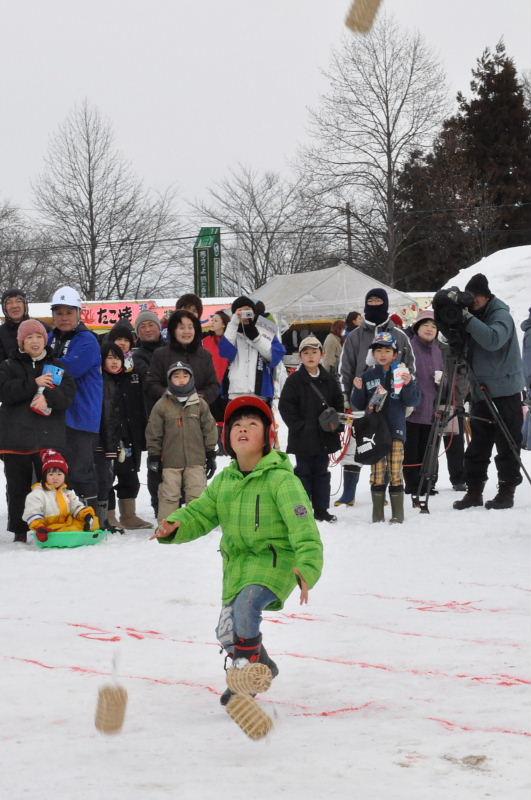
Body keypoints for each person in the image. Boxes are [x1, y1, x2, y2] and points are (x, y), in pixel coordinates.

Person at [151, 395, 323, 707]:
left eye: (252, 425)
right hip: (237, 567)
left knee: (247, 606)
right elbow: (201, 513)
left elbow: (304, 529)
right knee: (227, 632)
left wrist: (307, 567)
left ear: (268, 437)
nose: (243, 429)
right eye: (237, 426)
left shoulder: (282, 481)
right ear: (227, 437)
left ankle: (244, 678)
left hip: (276, 564)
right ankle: (263, 665)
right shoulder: (224, 481)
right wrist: (174, 525)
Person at [453, 273, 526, 511]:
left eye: (475, 298)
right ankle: (474, 491)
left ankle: (507, 491)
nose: (471, 302)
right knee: (478, 443)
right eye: (468, 299)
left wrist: (466, 318)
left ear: (486, 296)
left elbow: (493, 339)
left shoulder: (500, 315)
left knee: (507, 443)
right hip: (481, 391)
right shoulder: (474, 314)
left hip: (505, 391)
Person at [0, 319, 76, 542]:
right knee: (18, 488)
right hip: (16, 438)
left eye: (39, 337)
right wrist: (34, 383)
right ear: (21, 341)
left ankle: (55, 526)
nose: (34, 341)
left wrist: (48, 399)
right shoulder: (8, 365)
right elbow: (5, 392)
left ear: (46, 340)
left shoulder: (58, 367)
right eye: (29, 337)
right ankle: (20, 531)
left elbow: (67, 397)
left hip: (48, 438)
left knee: (53, 485)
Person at [351, 332, 420, 524]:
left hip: (396, 430)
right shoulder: (368, 375)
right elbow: (358, 403)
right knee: (378, 472)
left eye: (387, 350)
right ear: (373, 353)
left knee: (396, 470)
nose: (383, 354)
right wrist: (357, 388)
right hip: (374, 433)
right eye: (378, 350)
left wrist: (409, 384)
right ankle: (377, 514)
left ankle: (398, 514)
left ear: (395, 354)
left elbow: (413, 400)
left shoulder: (402, 373)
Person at [48, 286, 103, 509]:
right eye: (59, 313)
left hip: (81, 416)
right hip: (55, 418)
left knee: (82, 470)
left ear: (79, 313)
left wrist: (42, 367)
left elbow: (70, 369)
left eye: (69, 312)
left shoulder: (87, 340)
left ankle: (93, 516)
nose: (64, 318)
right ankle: (61, 515)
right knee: (56, 470)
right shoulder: (49, 338)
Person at [279, 335, 343, 523]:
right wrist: (300, 426)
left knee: (322, 473)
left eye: (314, 352)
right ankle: (304, 508)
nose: (310, 356)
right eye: (305, 353)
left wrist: (335, 423)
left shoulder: (329, 379)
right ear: (300, 357)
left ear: (322, 355)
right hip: (303, 439)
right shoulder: (294, 381)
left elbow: (338, 403)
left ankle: (322, 509)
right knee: (303, 473)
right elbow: (285, 407)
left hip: (324, 437)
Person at [146, 362, 218, 522]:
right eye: (176, 376)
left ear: (191, 379)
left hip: (196, 460)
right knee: (169, 494)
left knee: (197, 493)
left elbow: (209, 427)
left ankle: (197, 524)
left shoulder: (200, 404)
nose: (181, 380)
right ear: (170, 379)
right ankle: (167, 525)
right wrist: (154, 455)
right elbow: (154, 431)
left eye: (185, 376)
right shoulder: (162, 405)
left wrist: (210, 451)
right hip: (170, 461)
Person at [95, 342, 150, 531]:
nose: (114, 362)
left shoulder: (127, 380)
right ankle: (109, 517)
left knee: (129, 477)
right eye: (109, 357)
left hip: (127, 438)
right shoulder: (99, 381)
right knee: (107, 479)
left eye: (117, 357)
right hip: (106, 441)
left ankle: (129, 515)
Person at [339, 288, 415, 397]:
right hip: (361, 398)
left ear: (385, 304)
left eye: (378, 300)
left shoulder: (400, 336)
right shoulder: (354, 336)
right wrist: (345, 395)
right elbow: (345, 369)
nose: (374, 304)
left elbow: (410, 366)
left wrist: (408, 391)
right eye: (370, 301)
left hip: (394, 399)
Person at [144, 310, 219, 413]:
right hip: (169, 413)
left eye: (190, 327)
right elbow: (151, 383)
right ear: (173, 330)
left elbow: (214, 385)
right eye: (181, 327)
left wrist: (200, 397)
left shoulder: (205, 355)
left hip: (198, 413)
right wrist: (167, 393)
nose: (187, 331)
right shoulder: (161, 354)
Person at [403, 311, 444, 496]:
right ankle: (412, 484)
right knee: (412, 447)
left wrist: (442, 379)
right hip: (413, 407)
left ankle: (427, 482)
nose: (430, 329)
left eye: (434, 326)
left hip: (432, 407)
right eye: (425, 325)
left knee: (429, 447)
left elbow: (445, 375)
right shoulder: (410, 347)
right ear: (417, 328)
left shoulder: (438, 349)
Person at [219, 296, 285, 402]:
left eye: (248, 311)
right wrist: (234, 321)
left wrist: (256, 338)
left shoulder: (265, 328)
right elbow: (225, 352)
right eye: (241, 311)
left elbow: (274, 357)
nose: (245, 314)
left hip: (261, 392)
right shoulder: (231, 330)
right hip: (236, 392)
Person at [22, 449, 96, 542]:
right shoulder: (37, 494)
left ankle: (87, 529)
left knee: (91, 521)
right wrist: (39, 527)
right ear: (45, 476)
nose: (55, 477)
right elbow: (32, 512)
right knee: (62, 531)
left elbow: (75, 506)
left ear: (65, 476)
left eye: (59, 474)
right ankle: (75, 535)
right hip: (48, 528)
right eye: (51, 474)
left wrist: (85, 515)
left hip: (66, 524)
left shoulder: (67, 492)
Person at [202, 311, 231, 438]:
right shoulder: (206, 340)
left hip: (228, 379)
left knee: (226, 411)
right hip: (211, 380)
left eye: (215, 320)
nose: (212, 323)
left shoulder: (231, 339)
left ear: (224, 324)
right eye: (212, 320)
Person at [0, 288, 30, 361]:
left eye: (18, 301)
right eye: (9, 302)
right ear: (4, 308)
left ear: (25, 305)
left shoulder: (40, 327)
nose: (14, 306)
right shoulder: (1, 333)